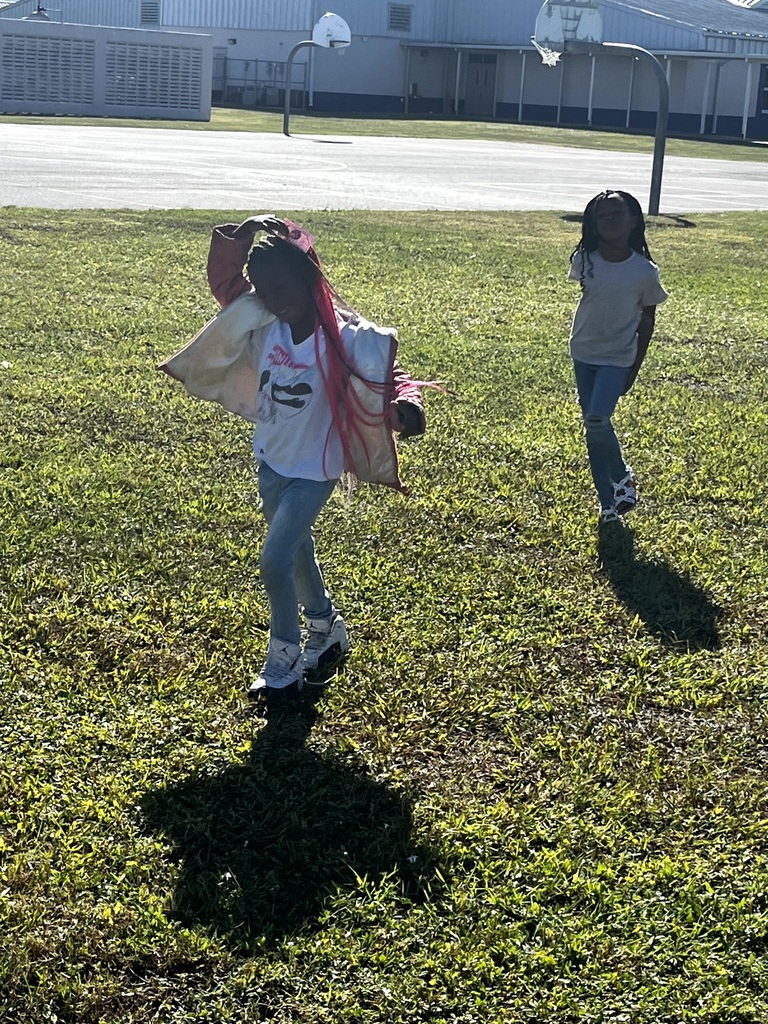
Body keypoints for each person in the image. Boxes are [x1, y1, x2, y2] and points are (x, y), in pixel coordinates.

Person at [159, 215, 427, 705]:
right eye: (263, 287)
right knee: (298, 551)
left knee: (275, 559)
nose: (273, 296)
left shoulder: (344, 337)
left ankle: (282, 659)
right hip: (272, 461)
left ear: (309, 279)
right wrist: (239, 235)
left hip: (315, 469)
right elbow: (225, 281)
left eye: (281, 285)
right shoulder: (264, 324)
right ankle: (326, 627)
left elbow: (387, 372)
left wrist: (406, 409)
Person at [568, 190, 668, 524]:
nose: (608, 222)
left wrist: (634, 369)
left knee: (597, 420)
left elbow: (647, 322)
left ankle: (623, 476)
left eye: (616, 215)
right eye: (601, 216)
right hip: (583, 351)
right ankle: (609, 503)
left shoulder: (644, 272)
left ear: (634, 221)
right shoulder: (585, 260)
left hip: (618, 357)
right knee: (593, 428)